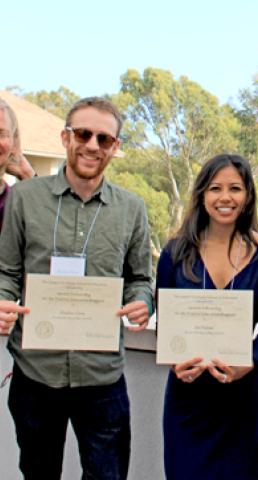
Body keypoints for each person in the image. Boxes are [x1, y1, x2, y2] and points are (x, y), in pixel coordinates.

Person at [0, 97, 153, 480]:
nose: (92, 146)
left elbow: (139, 280)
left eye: (104, 139)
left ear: (115, 148)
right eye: (83, 134)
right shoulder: (23, 199)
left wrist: (140, 303)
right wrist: (2, 300)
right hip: (35, 373)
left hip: (101, 378)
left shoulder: (132, 209)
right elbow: (6, 272)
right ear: (66, 137)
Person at [156, 153, 258, 479]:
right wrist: (175, 360)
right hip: (188, 400)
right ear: (202, 195)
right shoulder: (173, 254)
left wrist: (249, 360)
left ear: (248, 196)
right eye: (215, 188)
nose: (225, 197)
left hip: (240, 402)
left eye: (235, 188)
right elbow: (166, 323)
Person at [0, 99, 35, 232]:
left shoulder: (15, 203)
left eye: (1, 133)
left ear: (14, 143)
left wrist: (27, 174)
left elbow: (54, 236)